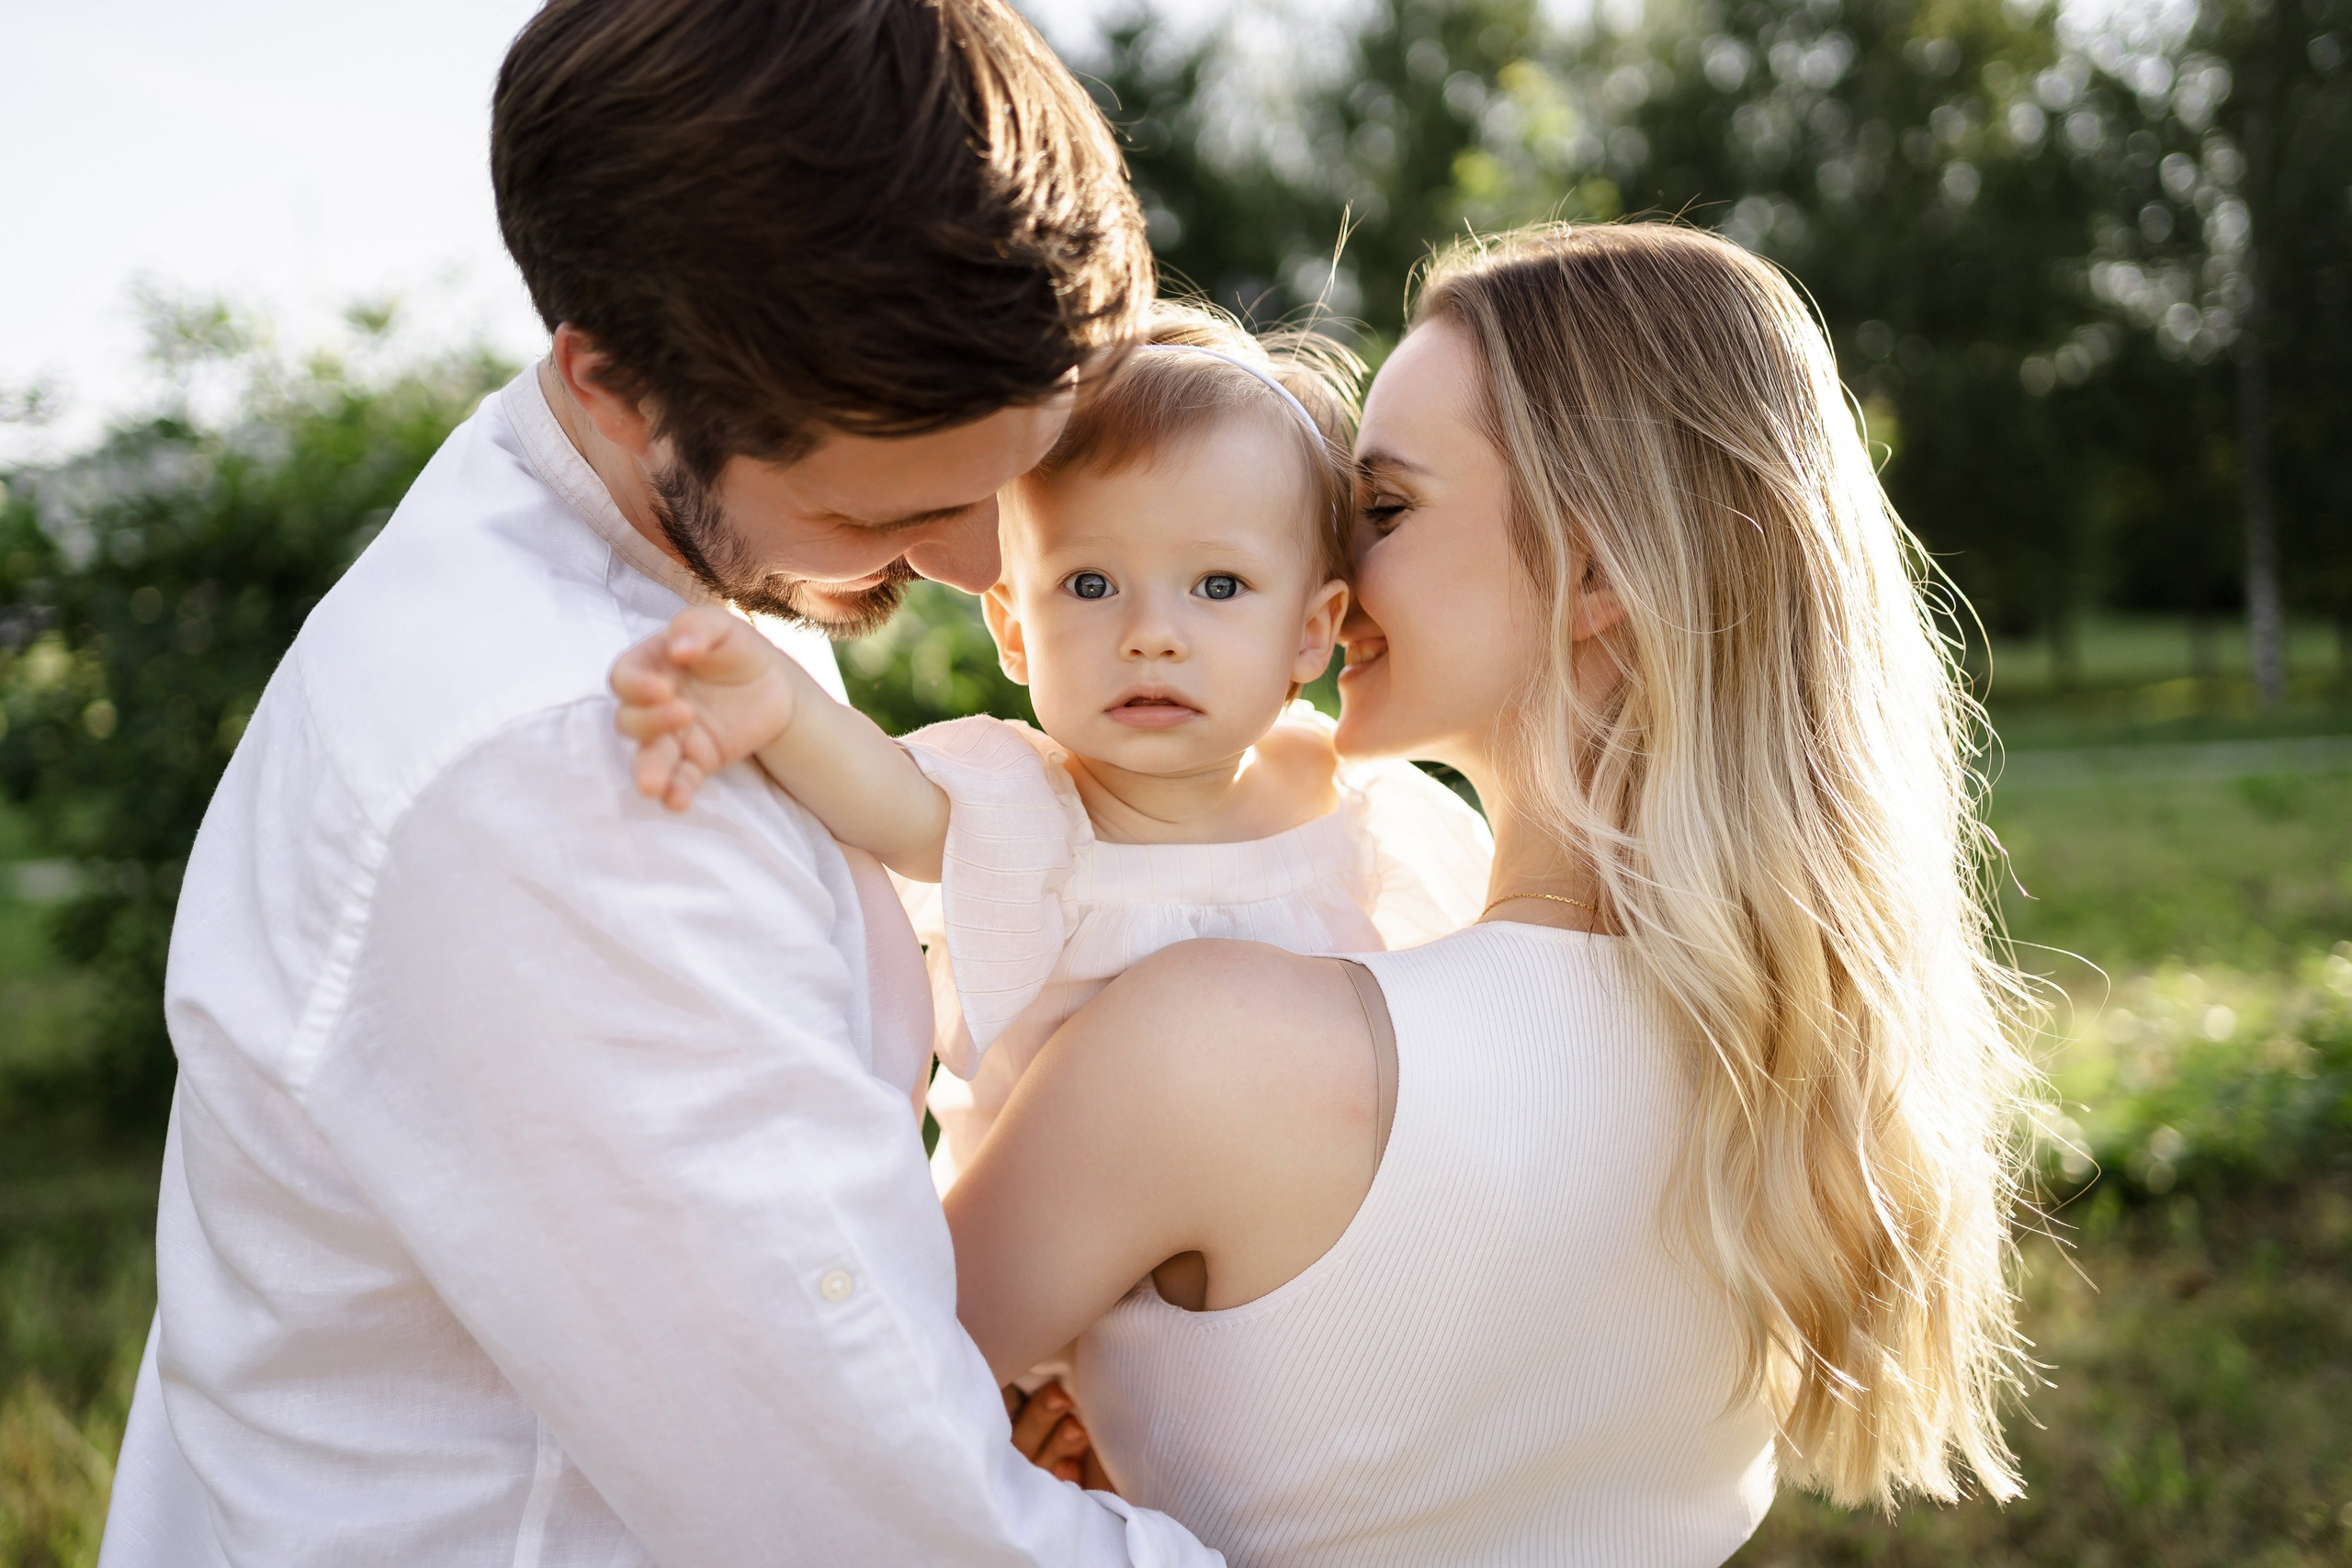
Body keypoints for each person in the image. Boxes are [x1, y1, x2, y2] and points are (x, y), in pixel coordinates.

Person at [96, 2, 1221, 1563]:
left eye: (1023, 473)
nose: (984, 567)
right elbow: (868, 1514)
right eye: (897, 511)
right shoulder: (576, 766)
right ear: (615, 381)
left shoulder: (663, 575)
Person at [937, 223, 2039, 1564]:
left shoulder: (1213, 1043)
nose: (1326, 574)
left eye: (1383, 510)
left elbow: (822, 1420)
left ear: (1598, 575)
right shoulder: (1812, 1074)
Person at [609, 304, 1491, 1192]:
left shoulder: (1356, 804)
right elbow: (886, 793)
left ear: (1311, 631)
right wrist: (775, 700)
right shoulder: (1025, 808)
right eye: (1091, 583)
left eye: (1218, 585)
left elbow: (1462, 1007)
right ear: (1014, 627)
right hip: (1044, 1275)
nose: (1152, 634)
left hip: (1277, 1263)